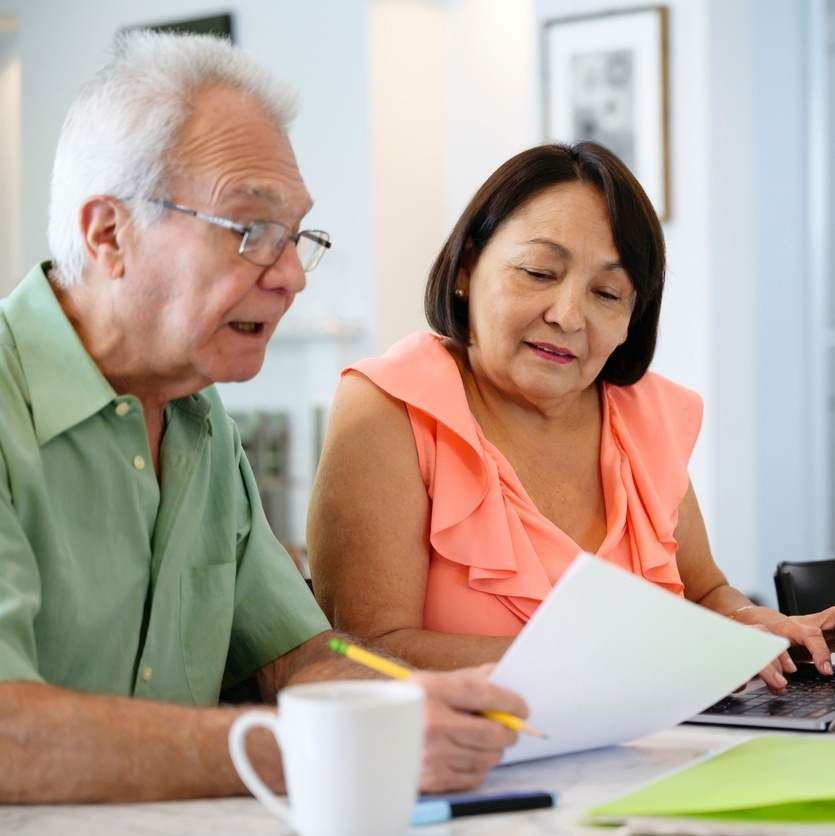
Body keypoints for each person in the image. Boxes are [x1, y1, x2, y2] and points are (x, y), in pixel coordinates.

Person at [0, 30, 529, 804]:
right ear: (108, 234)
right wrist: (327, 748)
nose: (289, 278)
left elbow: (298, 658)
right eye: (250, 232)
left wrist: (437, 705)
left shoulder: (199, 416)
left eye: (294, 238)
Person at [308, 141, 835, 691]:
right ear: (466, 267)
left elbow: (705, 593)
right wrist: (614, 663)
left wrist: (752, 626)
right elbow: (365, 651)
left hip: (657, 749)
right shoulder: (391, 406)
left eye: (606, 293)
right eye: (538, 272)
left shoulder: (644, 414)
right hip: (471, 759)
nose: (567, 316)